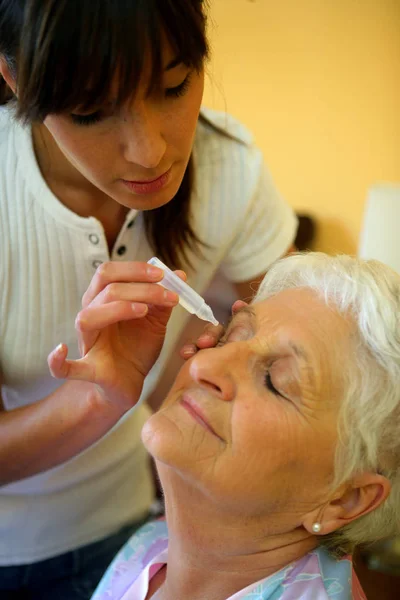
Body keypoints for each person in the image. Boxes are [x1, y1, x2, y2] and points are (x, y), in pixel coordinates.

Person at [0, 0, 297, 597]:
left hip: (136, 532)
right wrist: (97, 399)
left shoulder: (228, 168)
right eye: (90, 110)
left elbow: (295, 335)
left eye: (173, 86)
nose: (150, 152)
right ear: (16, 78)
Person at [90, 252, 400, 600]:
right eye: (230, 338)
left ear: (344, 498)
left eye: (274, 381)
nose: (206, 365)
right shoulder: (150, 545)